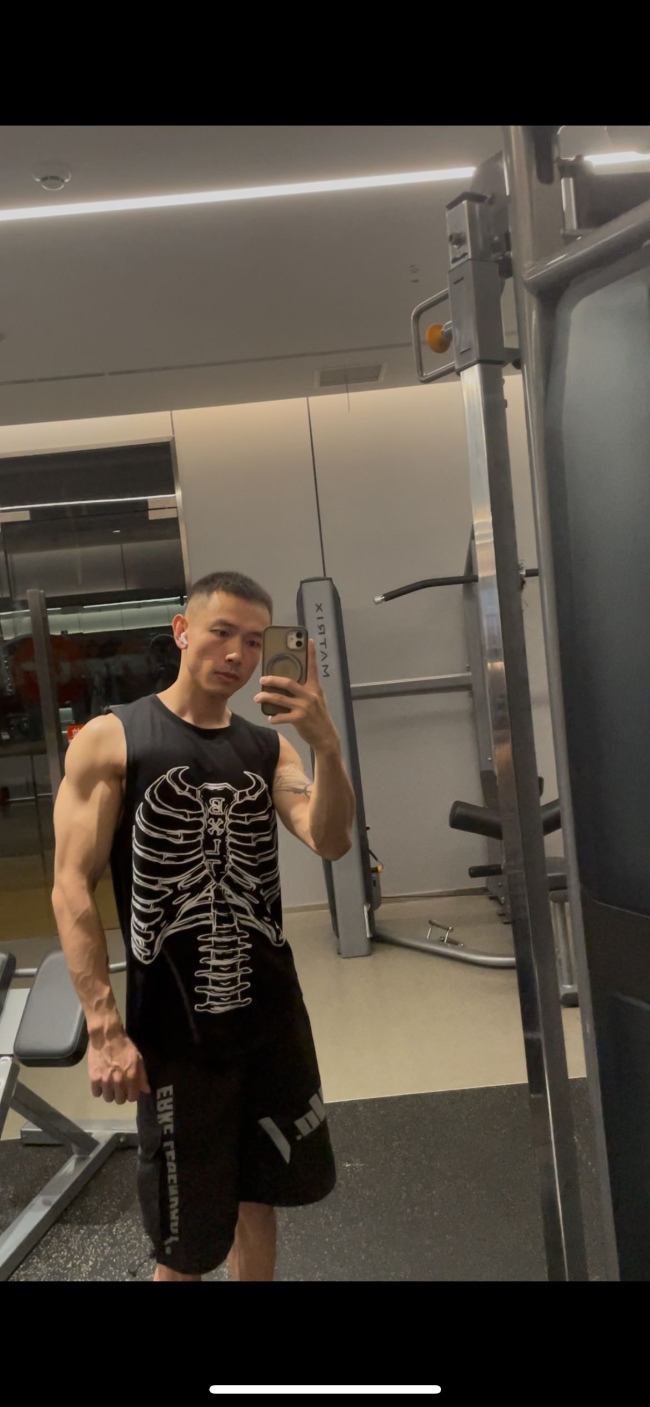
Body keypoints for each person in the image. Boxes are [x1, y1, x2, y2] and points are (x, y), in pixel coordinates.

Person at [51, 570, 356, 1282]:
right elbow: (70, 887)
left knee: (259, 1196)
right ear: (182, 631)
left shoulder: (269, 749)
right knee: (184, 1243)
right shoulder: (113, 740)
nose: (238, 654)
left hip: (270, 1019)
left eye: (253, 641)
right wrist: (104, 1028)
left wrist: (327, 746)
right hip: (175, 1036)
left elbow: (331, 838)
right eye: (221, 632)